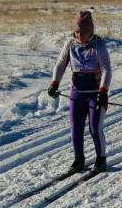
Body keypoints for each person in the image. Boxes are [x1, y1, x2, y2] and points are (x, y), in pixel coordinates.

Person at [47, 10, 112, 173]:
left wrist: (103, 91)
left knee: (94, 127)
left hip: (95, 92)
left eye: (83, 32)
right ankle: (79, 159)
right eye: (77, 31)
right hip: (77, 91)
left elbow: (106, 70)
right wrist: (54, 83)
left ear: (90, 31)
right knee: (75, 126)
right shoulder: (70, 43)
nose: (80, 35)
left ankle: (101, 159)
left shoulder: (98, 44)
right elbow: (60, 64)